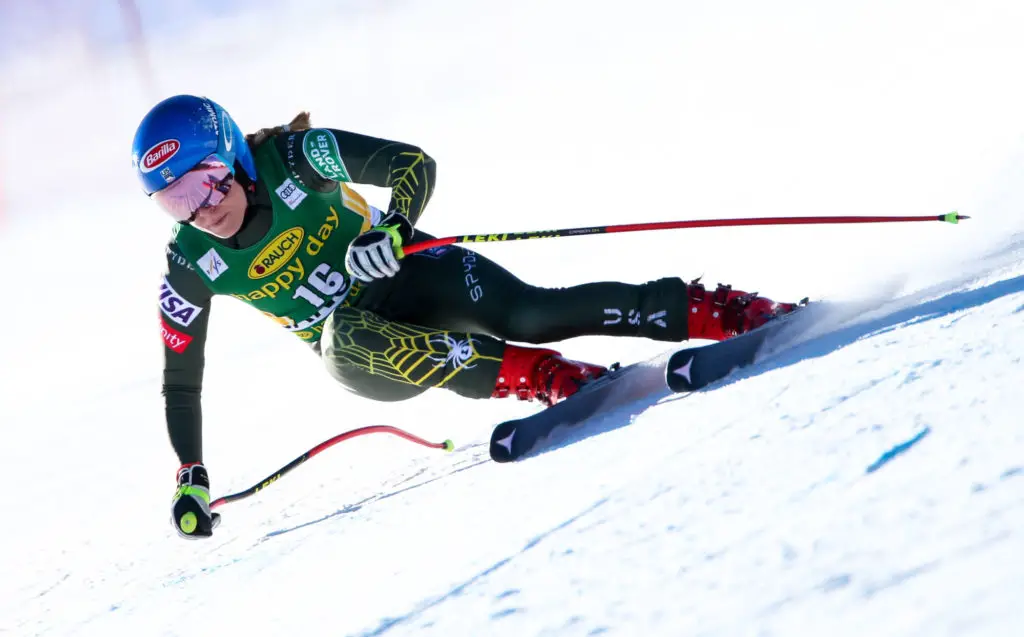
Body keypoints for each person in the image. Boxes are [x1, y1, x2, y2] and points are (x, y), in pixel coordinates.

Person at [135, 95, 801, 540]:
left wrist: (393, 228)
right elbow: (180, 380)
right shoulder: (191, 261)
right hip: (364, 352)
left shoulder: (294, 157)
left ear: (235, 155)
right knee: (347, 333)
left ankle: (724, 312)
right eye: (175, 200)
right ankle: (549, 377)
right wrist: (190, 471)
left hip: (411, 273)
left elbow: (410, 164)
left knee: (532, 311)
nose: (201, 210)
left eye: (205, 181)